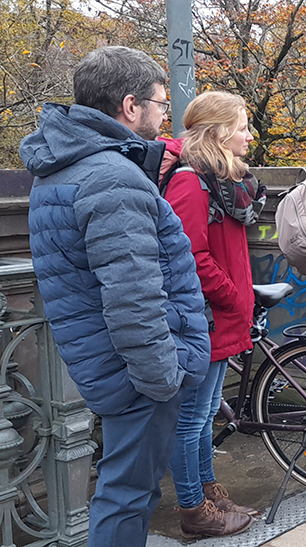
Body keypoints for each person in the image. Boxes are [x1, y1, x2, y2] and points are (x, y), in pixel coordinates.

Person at [19, 46, 210, 545]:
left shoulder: (62, 166)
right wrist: (163, 377)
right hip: (137, 374)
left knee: (128, 492)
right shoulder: (110, 177)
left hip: (106, 362)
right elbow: (133, 296)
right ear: (131, 106)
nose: (166, 113)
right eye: (160, 102)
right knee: (127, 496)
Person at [160, 91, 265, 537]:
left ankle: (209, 492)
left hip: (221, 316)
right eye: (242, 126)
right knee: (191, 418)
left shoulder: (218, 182)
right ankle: (193, 509)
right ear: (220, 132)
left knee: (204, 416)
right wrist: (231, 297)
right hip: (206, 317)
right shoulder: (191, 181)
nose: (249, 135)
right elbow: (189, 256)